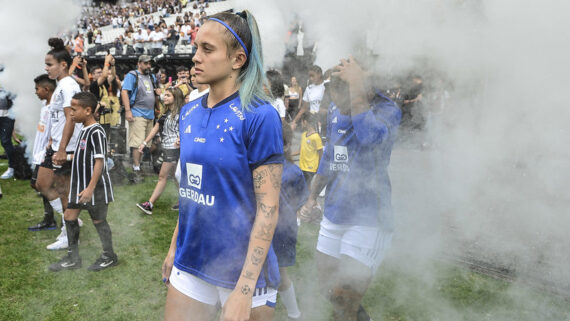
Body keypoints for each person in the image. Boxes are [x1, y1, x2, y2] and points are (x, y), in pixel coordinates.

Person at [161, 10, 284, 321]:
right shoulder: (189, 112)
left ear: (238, 59)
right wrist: (175, 247)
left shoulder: (260, 116)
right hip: (192, 261)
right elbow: (192, 190)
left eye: (207, 49)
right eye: (196, 47)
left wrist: (244, 289)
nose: (195, 57)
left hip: (243, 272)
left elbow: (268, 208)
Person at [299, 58, 401, 321]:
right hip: (335, 211)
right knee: (329, 289)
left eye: (343, 96)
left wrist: (356, 89)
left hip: (368, 219)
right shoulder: (336, 108)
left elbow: (369, 137)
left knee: (345, 299)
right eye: (334, 95)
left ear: (363, 89)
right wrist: (311, 198)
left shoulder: (387, 110)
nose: (337, 104)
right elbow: (330, 156)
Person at [48, 92, 117, 272]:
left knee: (99, 221)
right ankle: (73, 258)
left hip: (95, 187)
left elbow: (99, 161)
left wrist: (90, 189)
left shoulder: (96, 131)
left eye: (74, 109)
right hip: (80, 185)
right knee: (69, 217)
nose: (70, 113)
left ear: (88, 110)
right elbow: (84, 155)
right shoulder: (84, 130)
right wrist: (67, 158)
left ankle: (109, 256)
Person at [37, 38, 84, 250]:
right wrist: (51, 140)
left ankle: (69, 231)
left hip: (67, 147)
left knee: (64, 192)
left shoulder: (69, 85)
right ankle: (71, 221)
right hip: (56, 145)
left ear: (63, 64)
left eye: (49, 64)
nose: (46, 68)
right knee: (42, 184)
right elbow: (56, 118)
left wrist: (63, 148)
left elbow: (71, 118)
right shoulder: (61, 85)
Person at [274, 123, 307, 321]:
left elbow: (299, 202)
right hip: (258, 227)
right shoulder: (256, 166)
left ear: (287, 146)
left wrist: (300, 216)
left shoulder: (294, 172)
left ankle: (295, 314)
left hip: (282, 231)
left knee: (279, 274)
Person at [136, 87, 184, 215]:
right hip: (167, 147)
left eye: (168, 95)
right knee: (175, 176)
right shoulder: (165, 114)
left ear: (176, 97)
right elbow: (154, 129)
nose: (165, 97)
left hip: (174, 148)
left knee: (162, 176)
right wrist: (145, 143)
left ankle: (149, 204)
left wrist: (181, 138)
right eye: (165, 95)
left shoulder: (182, 114)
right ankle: (184, 201)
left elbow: (187, 129)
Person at [120, 54, 159, 180]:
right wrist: (127, 110)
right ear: (139, 63)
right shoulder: (133, 75)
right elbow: (124, 91)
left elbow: (154, 94)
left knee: (146, 143)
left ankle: (140, 165)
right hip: (137, 112)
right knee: (137, 143)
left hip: (150, 113)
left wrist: (157, 106)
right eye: (146, 63)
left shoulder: (152, 77)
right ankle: (136, 168)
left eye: (150, 63)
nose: (149, 66)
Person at [28, 75, 57, 231]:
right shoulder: (45, 106)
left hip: (47, 153)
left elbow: (57, 127)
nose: (35, 92)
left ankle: (66, 215)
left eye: (37, 89)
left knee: (40, 185)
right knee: (39, 185)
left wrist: (51, 143)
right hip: (40, 152)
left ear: (47, 89)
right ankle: (51, 217)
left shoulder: (55, 107)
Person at [291, 65, 325, 132]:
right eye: (309, 76)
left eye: (313, 76)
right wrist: (294, 121)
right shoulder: (309, 88)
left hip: (324, 121)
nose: (311, 78)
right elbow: (304, 108)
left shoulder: (326, 86)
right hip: (312, 122)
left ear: (320, 74)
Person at [295, 112, 323, 187]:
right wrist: (288, 154)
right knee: (303, 186)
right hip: (302, 166)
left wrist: (320, 167)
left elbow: (321, 153)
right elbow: (300, 151)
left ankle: (310, 198)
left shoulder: (316, 137)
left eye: (301, 121)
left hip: (311, 168)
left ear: (305, 122)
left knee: (306, 187)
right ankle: (308, 198)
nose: (301, 124)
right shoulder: (303, 135)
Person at [0, 84, 16, 179]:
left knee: (6, 141)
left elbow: (15, 100)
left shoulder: (8, 79)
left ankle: (12, 168)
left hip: (7, 117)